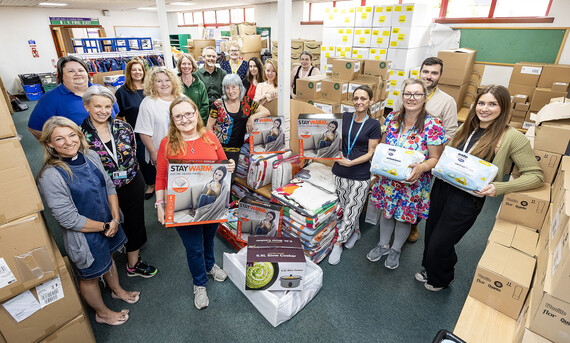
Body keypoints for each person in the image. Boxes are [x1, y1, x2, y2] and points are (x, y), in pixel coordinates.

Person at [418, 85, 544, 291]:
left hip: (467, 199)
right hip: (442, 189)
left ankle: (443, 277)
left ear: (503, 108)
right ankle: (431, 268)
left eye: (492, 104)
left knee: (441, 242)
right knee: (431, 234)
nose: (485, 108)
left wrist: (498, 187)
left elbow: (536, 176)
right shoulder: (466, 127)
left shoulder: (513, 137)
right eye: (481, 103)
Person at [37, 116, 139, 326]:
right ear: (49, 144)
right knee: (90, 275)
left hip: (109, 222)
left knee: (109, 257)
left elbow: (109, 186)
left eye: (72, 135)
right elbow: (68, 218)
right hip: (85, 235)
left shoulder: (90, 155)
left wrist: (115, 217)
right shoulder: (50, 176)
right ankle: (102, 312)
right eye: (59, 139)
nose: (68, 142)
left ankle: (117, 291)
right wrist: (104, 226)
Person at [155, 95, 236, 310]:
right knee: (194, 248)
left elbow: (224, 163)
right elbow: (161, 177)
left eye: (188, 114)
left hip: (212, 203)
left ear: (196, 114)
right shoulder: (167, 143)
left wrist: (231, 165)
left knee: (209, 240)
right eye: (178, 116)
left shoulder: (210, 136)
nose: (184, 119)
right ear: (172, 120)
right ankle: (199, 283)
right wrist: (159, 205)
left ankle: (210, 266)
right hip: (181, 207)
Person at [368, 78, 446, 270]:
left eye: (417, 94)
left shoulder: (433, 124)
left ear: (425, 97)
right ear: (402, 96)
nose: (412, 98)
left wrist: (421, 168)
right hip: (388, 180)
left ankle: (395, 249)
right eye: (408, 94)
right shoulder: (392, 118)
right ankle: (383, 244)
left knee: (404, 217)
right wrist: (378, 164)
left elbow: (436, 158)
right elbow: (383, 147)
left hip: (413, 182)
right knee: (387, 214)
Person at [81, 86, 158, 279]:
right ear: (86, 106)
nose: (103, 111)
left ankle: (133, 264)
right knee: (107, 225)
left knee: (135, 221)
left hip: (132, 181)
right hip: (102, 190)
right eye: (97, 106)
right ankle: (108, 271)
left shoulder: (124, 127)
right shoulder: (80, 136)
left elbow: (132, 152)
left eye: (108, 106)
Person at [393, 57, 459, 243]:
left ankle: (413, 224)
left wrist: (432, 153)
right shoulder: (406, 94)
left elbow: (451, 132)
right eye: (426, 72)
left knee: (417, 195)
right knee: (396, 190)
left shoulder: (447, 101)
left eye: (434, 73)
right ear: (420, 72)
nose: (429, 76)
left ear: (440, 76)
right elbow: (397, 119)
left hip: (428, 157)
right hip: (402, 154)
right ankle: (394, 219)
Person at [328, 85, 382, 265]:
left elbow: (371, 153)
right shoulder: (345, 117)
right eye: (356, 98)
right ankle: (356, 232)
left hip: (359, 173)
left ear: (371, 101)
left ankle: (338, 243)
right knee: (347, 208)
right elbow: (338, 140)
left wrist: (351, 162)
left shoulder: (374, 125)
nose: (359, 102)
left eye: (363, 98)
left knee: (352, 210)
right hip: (339, 170)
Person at [28, 56, 118, 140]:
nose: (77, 74)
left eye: (81, 70)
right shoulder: (50, 98)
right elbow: (35, 128)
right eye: (71, 71)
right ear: (61, 76)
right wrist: (58, 147)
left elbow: (115, 114)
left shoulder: (101, 90)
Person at [134, 66, 183, 200]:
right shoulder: (148, 103)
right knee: (167, 187)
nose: (164, 84)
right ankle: (169, 214)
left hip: (184, 151)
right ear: (152, 84)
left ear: (173, 81)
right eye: (159, 81)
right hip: (162, 153)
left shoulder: (182, 98)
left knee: (184, 184)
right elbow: (144, 132)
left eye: (167, 80)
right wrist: (153, 152)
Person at [115, 59, 156, 200]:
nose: (137, 72)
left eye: (140, 69)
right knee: (144, 161)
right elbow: (118, 116)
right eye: (134, 70)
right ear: (129, 73)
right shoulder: (122, 92)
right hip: (138, 134)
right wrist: (124, 133)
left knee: (160, 157)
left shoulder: (152, 88)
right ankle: (151, 185)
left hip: (157, 130)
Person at [207, 74, 270, 164]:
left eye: (233, 87)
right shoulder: (218, 104)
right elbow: (209, 126)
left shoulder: (247, 102)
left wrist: (252, 117)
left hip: (235, 149)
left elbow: (266, 112)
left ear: (240, 88)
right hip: (218, 148)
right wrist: (213, 146)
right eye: (227, 88)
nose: (230, 91)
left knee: (230, 175)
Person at [177, 53, 209, 124]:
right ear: (179, 65)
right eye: (183, 64)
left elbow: (205, 105)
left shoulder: (199, 84)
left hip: (197, 122)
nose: (186, 66)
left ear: (193, 66)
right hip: (180, 123)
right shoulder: (175, 84)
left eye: (189, 64)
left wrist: (196, 120)